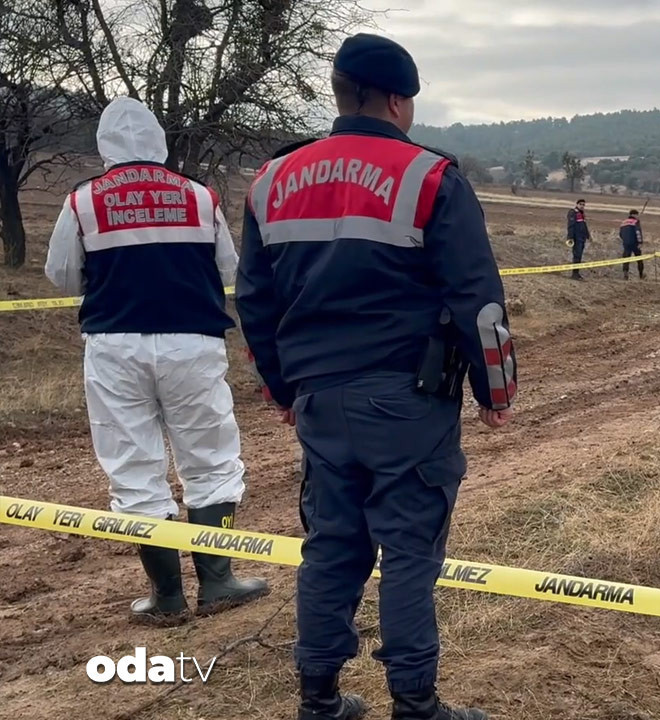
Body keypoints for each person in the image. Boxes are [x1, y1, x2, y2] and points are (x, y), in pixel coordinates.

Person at [236, 33, 514, 720]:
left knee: (331, 547)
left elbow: (255, 302)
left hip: (318, 400)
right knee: (410, 550)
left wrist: (281, 390)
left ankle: (319, 698)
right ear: (397, 101)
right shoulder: (430, 178)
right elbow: (478, 301)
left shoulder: (271, 181)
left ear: (339, 94)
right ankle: (415, 703)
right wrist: (495, 391)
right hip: (407, 401)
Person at [43, 97, 268, 626]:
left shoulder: (82, 201)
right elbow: (230, 269)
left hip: (114, 344)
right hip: (193, 340)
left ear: (104, 144)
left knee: (133, 466)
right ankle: (218, 581)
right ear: (158, 141)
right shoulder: (199, 195)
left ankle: (166, 595)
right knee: (210, 457)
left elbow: (63, 276)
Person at [567, 198, 591, 280]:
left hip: (582, 238)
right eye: (580, 204)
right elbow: (570, 226)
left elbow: (584, 225)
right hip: (576, 238)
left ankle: (577, 273)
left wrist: (588, 235)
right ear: (577, 204)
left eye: (583, 205)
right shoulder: (573, 212)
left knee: (579, 256)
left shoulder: (582, 214)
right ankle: (574, 274)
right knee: (576, 255)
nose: (582, 206)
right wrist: (570, 237)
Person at [619, 209, 645, 279]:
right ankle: (641, 275)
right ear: (634, 215)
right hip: (635, 243)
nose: (638, 216)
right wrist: (640, 242)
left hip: (626, 244)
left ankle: (625, 274)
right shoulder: (635, 222)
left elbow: (620, 234)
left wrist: (625, 240)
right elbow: (638, 232)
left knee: (626, 260)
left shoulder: (623, 222)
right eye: (637, 215)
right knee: (639, 259)